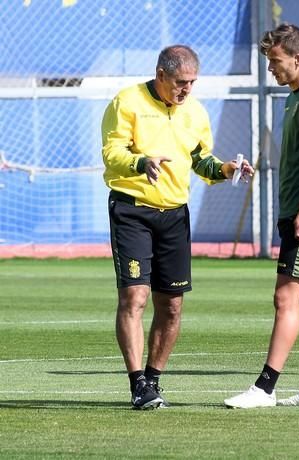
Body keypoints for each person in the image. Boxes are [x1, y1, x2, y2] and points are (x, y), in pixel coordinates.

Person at [102, 44, 254, 410]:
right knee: (134, 297)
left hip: (174, 215)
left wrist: (226, 170)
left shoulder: (196, 112)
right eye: (181, 82)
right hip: (132, 210)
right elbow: (112, 153)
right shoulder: (127, 102)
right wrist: (142, 162)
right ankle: (137, 383)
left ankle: (153, 381)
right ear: (161, 75)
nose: (187, 89)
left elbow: (200, 159)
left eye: (192, 83)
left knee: (171, 307)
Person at [223, 24, 299, 408]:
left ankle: (264, 388)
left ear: (298, 58)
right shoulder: (296, 97)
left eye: (275, 61)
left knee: (284, 296)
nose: (271, 68)